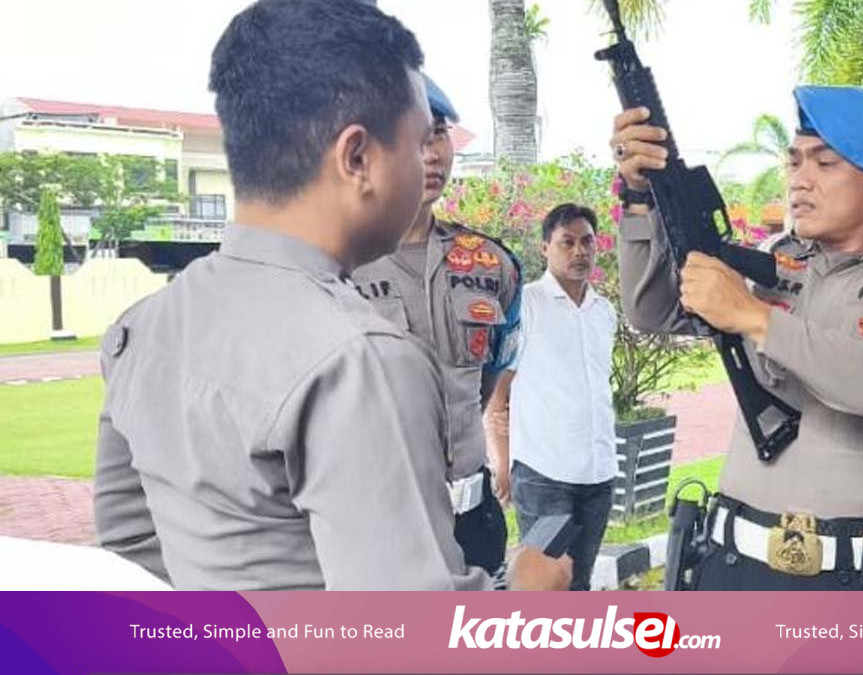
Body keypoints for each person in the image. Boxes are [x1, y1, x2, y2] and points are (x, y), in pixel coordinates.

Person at [92, 0, 569, 592]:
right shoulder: (362, 359)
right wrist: (528, 595)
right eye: (417, 142)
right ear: (358, 158)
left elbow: (132, 544)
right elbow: (413, 634)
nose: (428, 162)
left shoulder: (141, 327)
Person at [611, 85, 863, 590]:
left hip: (854, 580)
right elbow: (652, 311)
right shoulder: (772, 262)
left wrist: (757, 319)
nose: (800, 179)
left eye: (825, 163)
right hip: (729, 564)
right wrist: (640, 199)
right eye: (794, 161)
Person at [352, 76, 520, 575]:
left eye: (438, 133)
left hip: (472, 521)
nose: (430, 154)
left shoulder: (491, 264)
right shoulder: (334, 265)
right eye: (409, 136)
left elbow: (489, 375)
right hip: (374, 527)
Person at [486, 203, 618, 591]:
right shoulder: (526, 305)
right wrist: (502, 462)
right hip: (544, 475)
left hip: (598, 474)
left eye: (587, 242)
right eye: (567, 242)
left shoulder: (604, 311)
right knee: (542, 589)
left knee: (580, 585)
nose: (579, 251)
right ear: (545, 248)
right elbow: (497, 391)